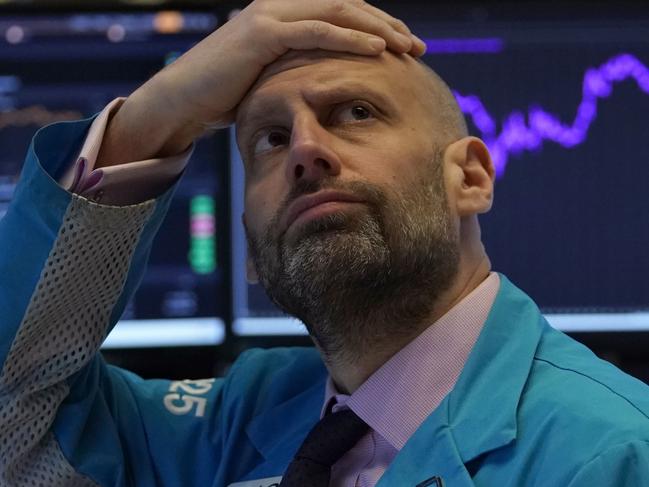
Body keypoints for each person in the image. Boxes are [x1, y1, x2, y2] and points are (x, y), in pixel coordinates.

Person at [1, 1, 649, 486]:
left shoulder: (608, 453)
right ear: (250, 235)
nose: (305, 151)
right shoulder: (232, 422)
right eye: (270, 139)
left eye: (356, 113)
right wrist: (156, 114)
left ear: (471, 178)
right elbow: (17, 416)